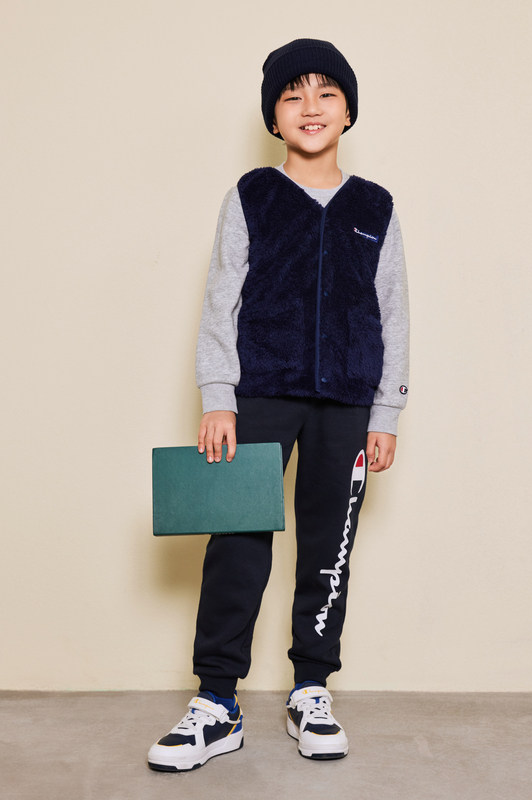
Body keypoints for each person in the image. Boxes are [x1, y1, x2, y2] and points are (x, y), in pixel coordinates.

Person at [148, 38, 409, 772]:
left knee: (329, 550)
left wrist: (386, 411)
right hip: (257, 396)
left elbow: (393, 312)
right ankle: (217, 702)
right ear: (273, 117)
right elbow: (220, 298)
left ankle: (311, 690)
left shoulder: (376, 207)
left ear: (349, 111)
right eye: (293, 95)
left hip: (347, 404)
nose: (310, 107)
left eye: (327, 93)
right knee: (236, 544)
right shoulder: (252, 196)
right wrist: (218, 397)